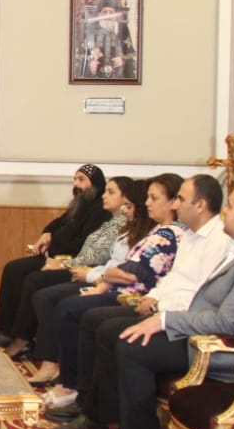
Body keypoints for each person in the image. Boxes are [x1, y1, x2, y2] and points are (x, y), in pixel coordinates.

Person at [67, 182, 234, 429]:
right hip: (204, 331)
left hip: (230, 349)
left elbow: (229, 322)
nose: (223, 211)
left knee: (132, 346)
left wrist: (166, 320)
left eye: (229, 206)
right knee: (117, 332)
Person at [47, 175, 230, 429]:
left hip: (181, 320)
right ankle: (94, 411)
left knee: (115, 333)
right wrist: (154, 296)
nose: (176, 205)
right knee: (97, 322)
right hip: (161, 305)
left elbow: (200, 293)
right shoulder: (192, 235)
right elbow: (173, 279)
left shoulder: (218, 241)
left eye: (181, 199)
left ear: (201, 204)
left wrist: (159, 306)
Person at [38, 173, 188, 411]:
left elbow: (132, 272)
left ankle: (75, 387)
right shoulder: (157, 230)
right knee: (69, 305)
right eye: (147, 197)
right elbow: (124, 267)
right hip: (118, 289)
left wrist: (106, 276)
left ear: (172, 203)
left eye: (154, 198)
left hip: (134, 296)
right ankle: (72, 383)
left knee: (73, 310)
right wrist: (106, 279)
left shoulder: (170, 234)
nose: (147, 203)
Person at [24, 176, 138, 384]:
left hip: (107, 283)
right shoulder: (112, 222)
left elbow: (116, 267)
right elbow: (109, 262)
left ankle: (57, 367)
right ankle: (45, 357)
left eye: (111, 192)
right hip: (93, 273)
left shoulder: (127, 226)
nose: (104, 196)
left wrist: (74, 268)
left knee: (49, 295)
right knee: (38, 286)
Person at [0, 165, 111, 347]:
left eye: (81, 180)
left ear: (95, 184)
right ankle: (3, 328)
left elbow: (82, 244)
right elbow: (58, 222)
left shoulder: (100, 210)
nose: (76, 184)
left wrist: (55, 250)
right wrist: (47, 232)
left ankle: (22, 336)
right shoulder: (80, 204)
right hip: (54, 256)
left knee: (32, 278)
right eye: (75, 179)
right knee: (13, 268)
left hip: (71, 262)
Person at [78, 0, 137, 80]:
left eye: (111, 12)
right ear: (99, 14)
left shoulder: (122, 28)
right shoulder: (91, 29)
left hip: (118, 76)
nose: (108, 15)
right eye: (104, 12)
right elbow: (81, 54)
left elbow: (130, 53)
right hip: (96, 77)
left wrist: (122, 60)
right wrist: (90, 63)